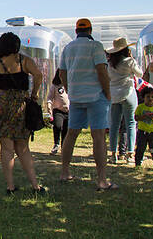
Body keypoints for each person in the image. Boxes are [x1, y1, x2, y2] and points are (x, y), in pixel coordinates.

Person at [0, 32, 46, 195]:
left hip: (0, 107)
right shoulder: (24, 61)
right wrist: (35, 93)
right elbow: (38, 75)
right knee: (23, 147)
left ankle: (10, 187)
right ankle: (35, 185)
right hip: (20, 106)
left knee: (6, 148)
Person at [58, 18, 116, 190]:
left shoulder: (68, 48)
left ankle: (65, 172)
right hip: (95, 96)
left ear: (76, 31)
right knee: (98, 136)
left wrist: (70, 90)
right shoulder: (95, 46)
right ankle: (102, 180)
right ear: (90, 31)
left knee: (71, 134)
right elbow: (101, 70)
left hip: (76, 97)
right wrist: (107, 92)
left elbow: (62, 73)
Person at [106, 37, 142, 165]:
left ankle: (113, 154)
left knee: (114, 125)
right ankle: (130, 153)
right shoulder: (129, 61)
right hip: (128, 93)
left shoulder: (109, 63)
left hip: (114, 94)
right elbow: (140, 74)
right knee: (131, 123)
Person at [134, 86, 153, 170]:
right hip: (142, 131)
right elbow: (136, 118)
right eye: (148, 97)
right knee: (140, 148)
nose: (150, 99)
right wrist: (144, 116)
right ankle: (138, 164)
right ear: (143, 97)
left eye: (152, 97)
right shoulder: (140, 107)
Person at [46, 70, 70, 155]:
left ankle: (64, 147)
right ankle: (56, 144)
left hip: (68, 112)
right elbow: (49, 97)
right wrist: (49, 105)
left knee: (66, 130)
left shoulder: (70, 85)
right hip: (58, 111)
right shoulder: (55, 86)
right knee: (58, 126)